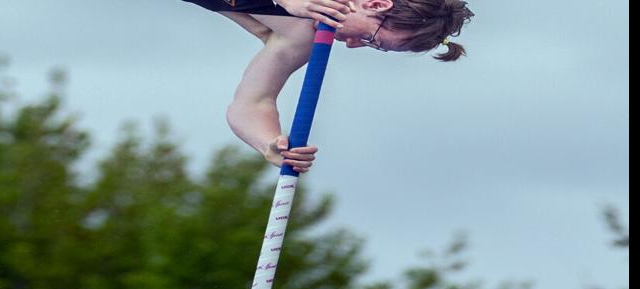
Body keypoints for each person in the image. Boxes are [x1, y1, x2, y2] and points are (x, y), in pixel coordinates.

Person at [180, 1, 475, 174]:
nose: (353, 45)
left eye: (374, 47)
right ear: (376, 4)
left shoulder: (301, 32)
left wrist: (269, 143)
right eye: (373, 39)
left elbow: (252, 103)